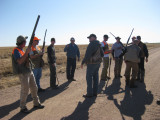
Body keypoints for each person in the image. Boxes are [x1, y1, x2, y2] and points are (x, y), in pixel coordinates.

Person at [12, 36, 44, 113]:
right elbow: (19, 61)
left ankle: (36, 103)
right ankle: (23, 107)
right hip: (23, 73)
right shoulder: (16, 50)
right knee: (25, 90)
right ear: (22, 42)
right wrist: (27, 52)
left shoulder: (22, 50)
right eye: (25, 42)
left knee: (34, 87)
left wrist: (27, 53)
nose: (26, 43)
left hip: (29, 70)